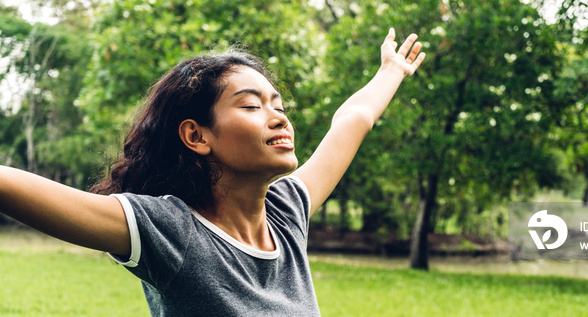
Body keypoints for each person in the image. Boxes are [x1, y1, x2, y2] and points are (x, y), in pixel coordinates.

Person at [0, 28, 424, 316]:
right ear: (197, 136)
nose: (279, 118)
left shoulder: (286, 214)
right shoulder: (172, 231)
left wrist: (391, 71)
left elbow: (352, 121)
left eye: (278, 105)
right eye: (252, 105)